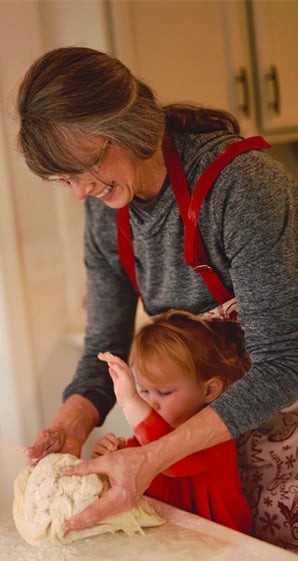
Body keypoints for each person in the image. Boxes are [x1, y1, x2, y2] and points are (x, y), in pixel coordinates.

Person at [16, 47, 297, 549]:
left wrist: (150, 456)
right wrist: (71, 424)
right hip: (207, 462)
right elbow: (103, 344)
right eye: (64, 180)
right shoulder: (109, 207)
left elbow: (284, 363)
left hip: (286, 453)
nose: (80, 193)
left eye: (83, 169)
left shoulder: (243, 188)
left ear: (126, 130)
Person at [93, 310, 252, 534]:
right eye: (144, 391)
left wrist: (131, 401)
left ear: (209, 390)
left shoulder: (216, 434)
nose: (151, 403)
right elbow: (136, 476)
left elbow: (172, 462)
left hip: (227, 542)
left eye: (164, 392)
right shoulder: (148, 433)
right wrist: (111, 457)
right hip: (174, 537)